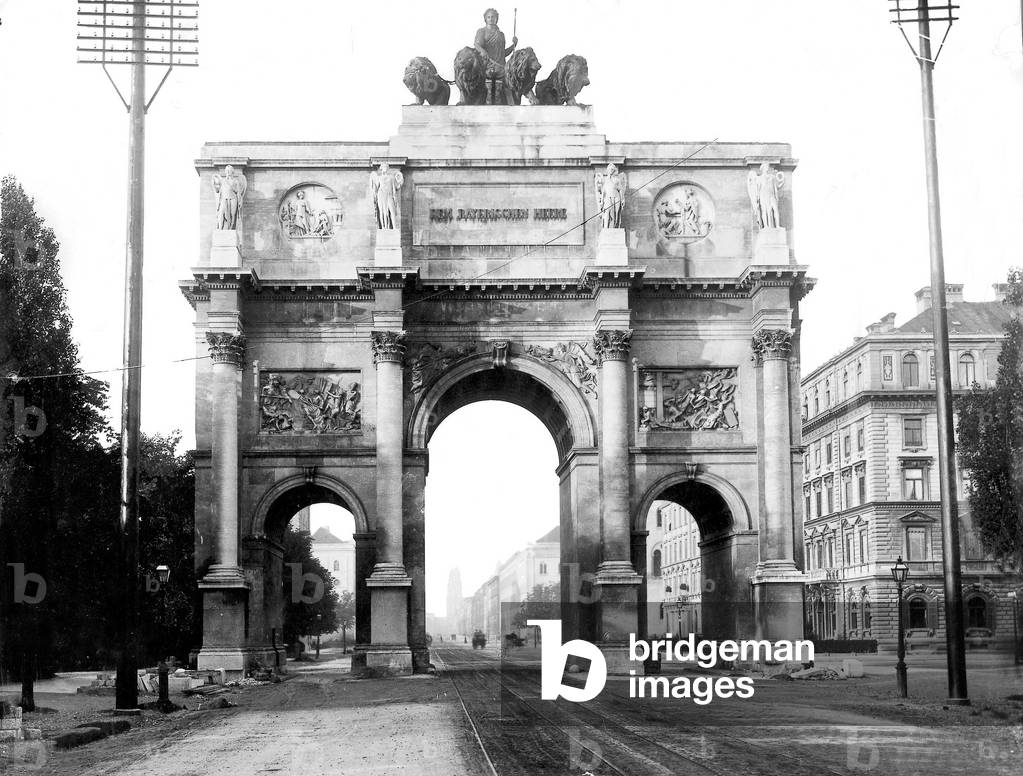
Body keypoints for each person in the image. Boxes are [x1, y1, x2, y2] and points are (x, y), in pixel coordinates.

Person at [474, 8, 518, 104]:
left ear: (496, 18)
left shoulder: (501, 34)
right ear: (485, 19)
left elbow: (503, 53)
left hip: (501, 67)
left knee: (510, 87)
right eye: (488, 17)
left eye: (493, 17)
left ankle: (512, 107)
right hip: (487, 66)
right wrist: (482, 51)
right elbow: (477, 45)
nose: (491, 19)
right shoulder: (482, 31)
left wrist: (514, 45)